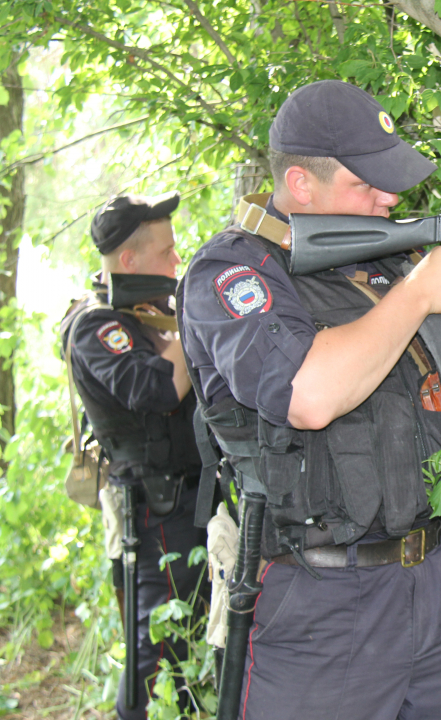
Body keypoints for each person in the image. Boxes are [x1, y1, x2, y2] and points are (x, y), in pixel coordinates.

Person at [179, 79, 441, 720]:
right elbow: (308, 395)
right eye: (366, 183)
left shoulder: (386, 263)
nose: (391, 197)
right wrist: (418, 294)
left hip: (434, 582)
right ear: (300, 183)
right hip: (320, 597)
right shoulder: (235, 275)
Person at [60, 193, 209, 720]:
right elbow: (161, 389)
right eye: (167, 252)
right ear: (129, 260)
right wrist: (195, 318)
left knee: (193, 646)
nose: (176, 261)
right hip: (155, 512)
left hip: (193, 503)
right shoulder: (98, 327)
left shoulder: (150, 314)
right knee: (155, 654)